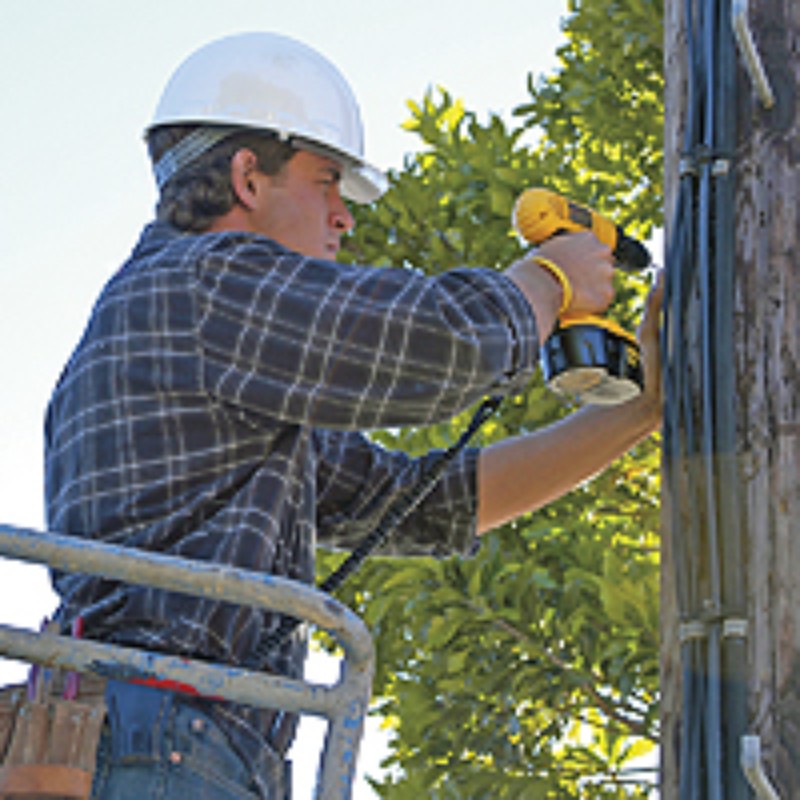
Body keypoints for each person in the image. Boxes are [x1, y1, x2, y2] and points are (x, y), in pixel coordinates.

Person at [43, 32, 662, 800]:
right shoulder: (201, 283)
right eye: (327, 182)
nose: (343, 218)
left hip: (174, 739)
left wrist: (639, 413)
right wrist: (545, 282)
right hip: (163, 736)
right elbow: (442, 344)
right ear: (247, 178)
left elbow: (426, 503)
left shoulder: (204, 349)